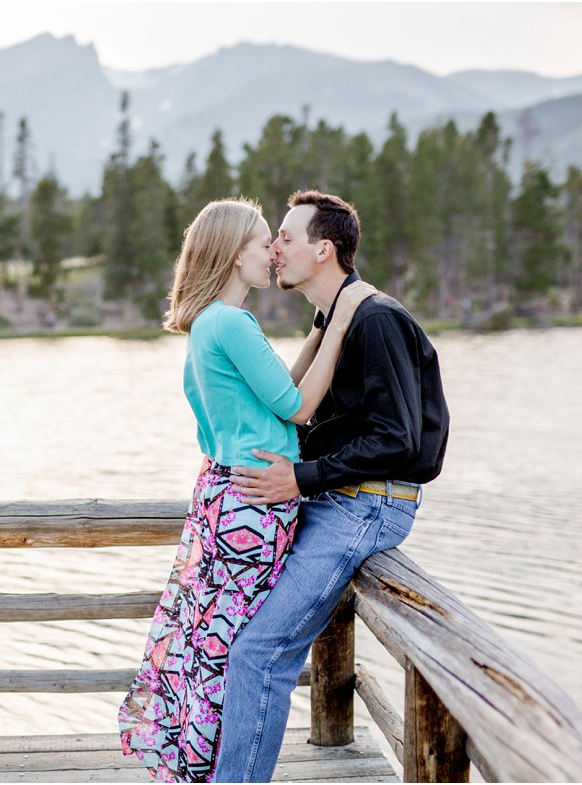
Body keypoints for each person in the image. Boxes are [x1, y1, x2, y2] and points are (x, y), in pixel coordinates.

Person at [117, 197, 376, 783]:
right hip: (253, 508)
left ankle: (203, 767)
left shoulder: (210, 324)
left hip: (225, 495)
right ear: (236, 253)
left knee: (209, 636)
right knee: (233, 649)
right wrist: (342, 317)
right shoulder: (232, 324)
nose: (274, 252)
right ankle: (217, 774)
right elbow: (301, 406)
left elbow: (278, 390)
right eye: (265, 242)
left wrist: (317, 328)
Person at [212, 189, 450, 782]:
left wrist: (300, 477)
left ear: (323, 249)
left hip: (368, 505)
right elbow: (301, 410)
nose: (274, 249)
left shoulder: (377, 319)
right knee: (247, 644)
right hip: (339, 501)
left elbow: (399, 441)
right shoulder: (339, 320)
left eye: (286, 238)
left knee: (258, 654)